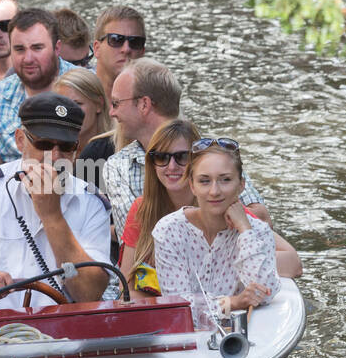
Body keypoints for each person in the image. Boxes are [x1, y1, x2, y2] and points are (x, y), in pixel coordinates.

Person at [0, 93, 112, 313]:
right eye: (44, 144)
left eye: (66, 147)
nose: (54, 157)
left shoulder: (92, 203)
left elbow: (89, 293)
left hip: (55, 333)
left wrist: (52, 216)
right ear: (20, 140)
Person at [121, 120, 302, 297]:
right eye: (161, 157)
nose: (171, 166)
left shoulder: (226, 209)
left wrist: (231, 260)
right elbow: (127, 288)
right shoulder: (144, 210)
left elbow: (293, 263)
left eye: (182, 157)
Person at [102, 58, 271, 236]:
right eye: (161, 158)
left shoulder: (210, 152)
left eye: (116, 103)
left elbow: (263, 220)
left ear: (144, 104)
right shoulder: (118, 167)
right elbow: (135, 239)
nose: (112, 113)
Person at [152, 137, 280, 327]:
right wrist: (234, 302)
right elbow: (179, 309)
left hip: (239, 336)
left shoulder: (257, 231)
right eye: (204, 181)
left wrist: (244, 230)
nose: (214, 191)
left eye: (225, 180)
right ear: (192, 186)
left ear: (241, 185)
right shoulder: (169, 231)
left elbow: (265, 292)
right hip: (187, 341)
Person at [0, 8, 74, 166]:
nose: (28, 59)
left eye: (37, 48)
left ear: (57, 48)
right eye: (19, 49)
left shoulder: (81, 90)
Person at [54, 66, 114, 190]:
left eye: (77, 104)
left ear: (98, 104)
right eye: (63, 106)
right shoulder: (52, 150)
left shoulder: (113, 151)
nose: (69, 113)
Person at [90, 5, 147, 103]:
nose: (126, 49)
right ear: (96, 48)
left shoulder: (157, 101)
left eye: (135, 42)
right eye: (116, 40)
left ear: (142, 52)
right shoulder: (75, 95)